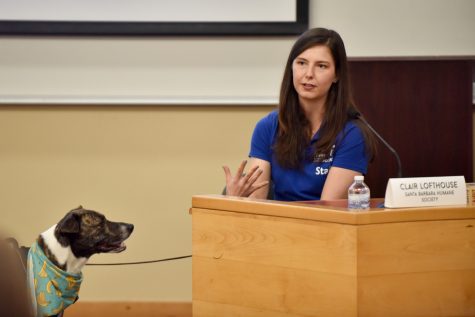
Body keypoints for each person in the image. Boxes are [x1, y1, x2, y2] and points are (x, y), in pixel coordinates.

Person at [223, 27, 377, 201]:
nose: (308, 74)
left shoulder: (352, 134)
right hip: (275, 223)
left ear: (337, 75)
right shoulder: (268, 126)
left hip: (323, 225)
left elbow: (327, 209)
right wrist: (235, 199)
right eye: (302, 63)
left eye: (321, 66)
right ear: (292, 67)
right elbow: (257, 202)